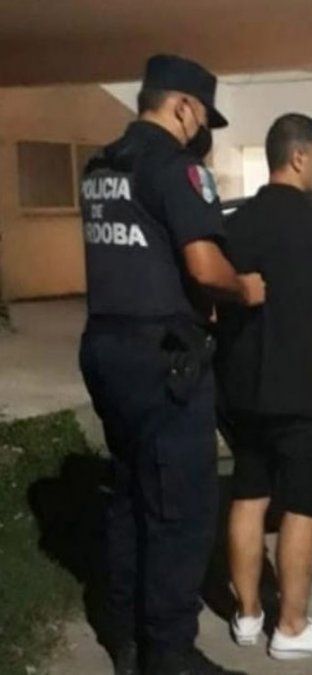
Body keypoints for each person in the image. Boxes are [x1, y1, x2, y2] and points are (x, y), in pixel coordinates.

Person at [78, 54, 265, 675]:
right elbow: (204, 268)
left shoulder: (102, 166)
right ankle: (169, 652)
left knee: (131, 495)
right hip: (163, 358)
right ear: (183, 106)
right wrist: (244, 289)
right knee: (180, 511)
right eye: (201, 116)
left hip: (106, 348)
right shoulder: (175, 167)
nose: (200, 130)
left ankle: (126, 637)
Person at [216, 114, 312, 660]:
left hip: (244, 391)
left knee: (248, 495)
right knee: (302, 505)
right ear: (299, 157)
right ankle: (292, 627)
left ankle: (248, 614)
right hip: (305, 393)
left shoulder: (235, 225)